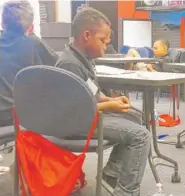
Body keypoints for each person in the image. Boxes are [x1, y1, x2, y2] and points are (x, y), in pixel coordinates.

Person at [55, 7, 151, 196]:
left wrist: (110, 99)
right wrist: (110, 105)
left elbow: (90, 93)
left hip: (86, 116)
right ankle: (126, 192)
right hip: (76, 124)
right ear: (86, 35)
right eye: (102, 41)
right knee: (141, 136)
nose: (105, 46)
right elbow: (75, 109)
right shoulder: (69, 64)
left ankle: (110, 174)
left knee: (135, 118)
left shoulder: (83, 59)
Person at [0, 0, 58, 127]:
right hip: (17, 116)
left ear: (3, 24)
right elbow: (59, 66)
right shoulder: (33, 43)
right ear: (31, 27)